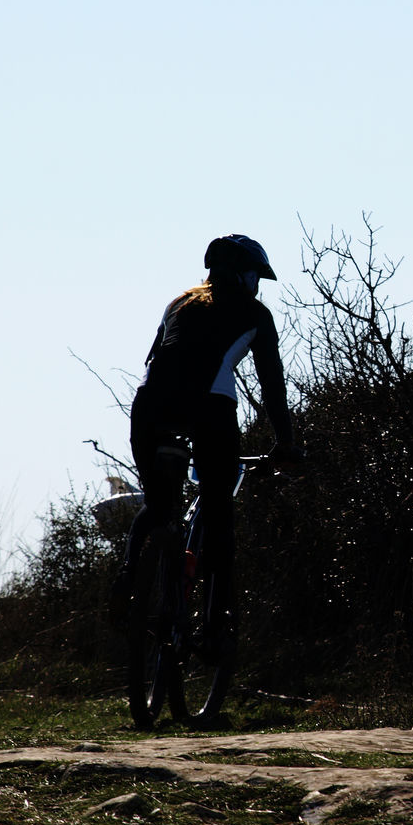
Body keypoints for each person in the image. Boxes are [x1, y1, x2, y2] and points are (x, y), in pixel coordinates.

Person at [109, 234, 300, 653]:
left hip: (150, 408)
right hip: (209, 410)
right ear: (245, 275)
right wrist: (285, 442)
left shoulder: (178, 303)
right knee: (217, 508)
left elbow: (155, 357)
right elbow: (272, 385)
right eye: (257, 277)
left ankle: (127, 577)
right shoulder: (255, 314)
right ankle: (214, 626)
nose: (258, 285)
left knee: (159, 505)